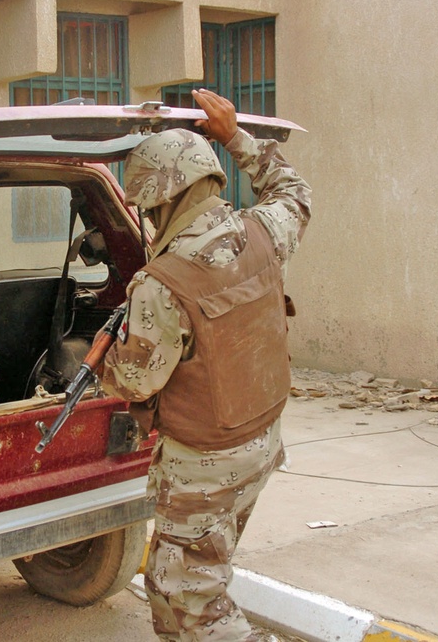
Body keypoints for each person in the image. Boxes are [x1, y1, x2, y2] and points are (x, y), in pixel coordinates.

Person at [99, 88, 311, 641]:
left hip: (205, 464)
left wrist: (100, 358)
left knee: (191, 591)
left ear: (161, 200)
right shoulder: (265, 232)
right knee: (176, 579)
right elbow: (293, 189)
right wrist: (235, 136)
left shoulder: (161, 283)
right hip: (261, 441)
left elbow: (137, 379)